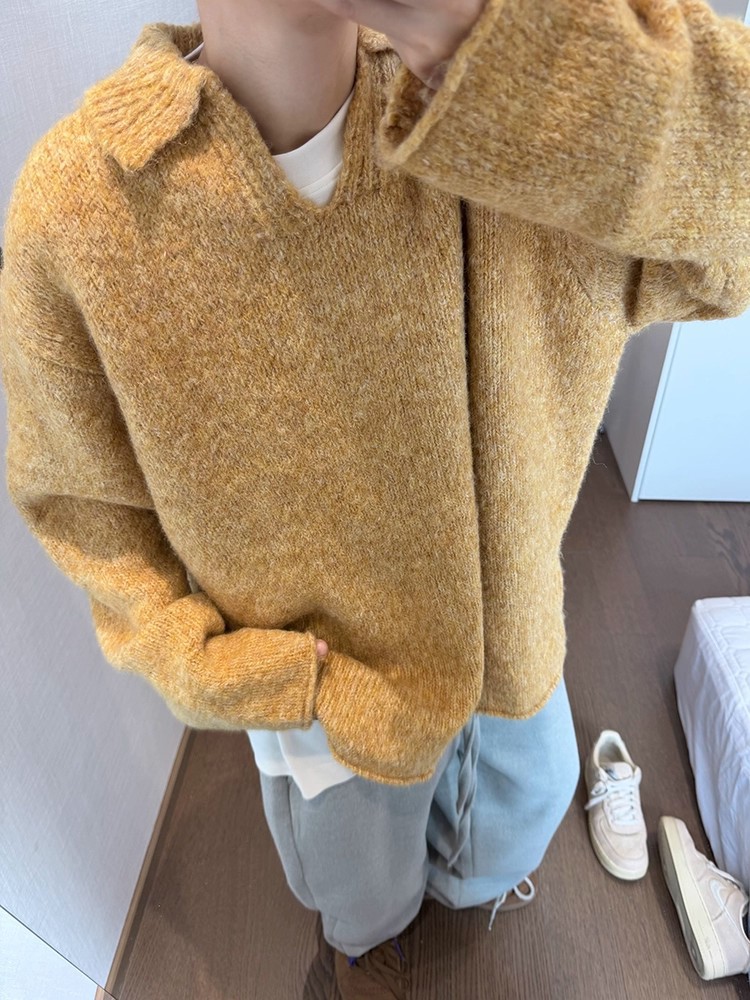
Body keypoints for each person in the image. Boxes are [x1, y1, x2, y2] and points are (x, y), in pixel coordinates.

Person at [2, 0, 748, 996]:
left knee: (515, 820)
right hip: (319, 689)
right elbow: (79, 501)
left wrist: (495, 43)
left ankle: (454, 898)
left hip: (513, 647)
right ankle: (365, 948)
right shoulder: (83, 207)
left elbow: (732, 209)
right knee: (356, 886)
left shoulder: (512, 109)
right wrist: (212, 665)